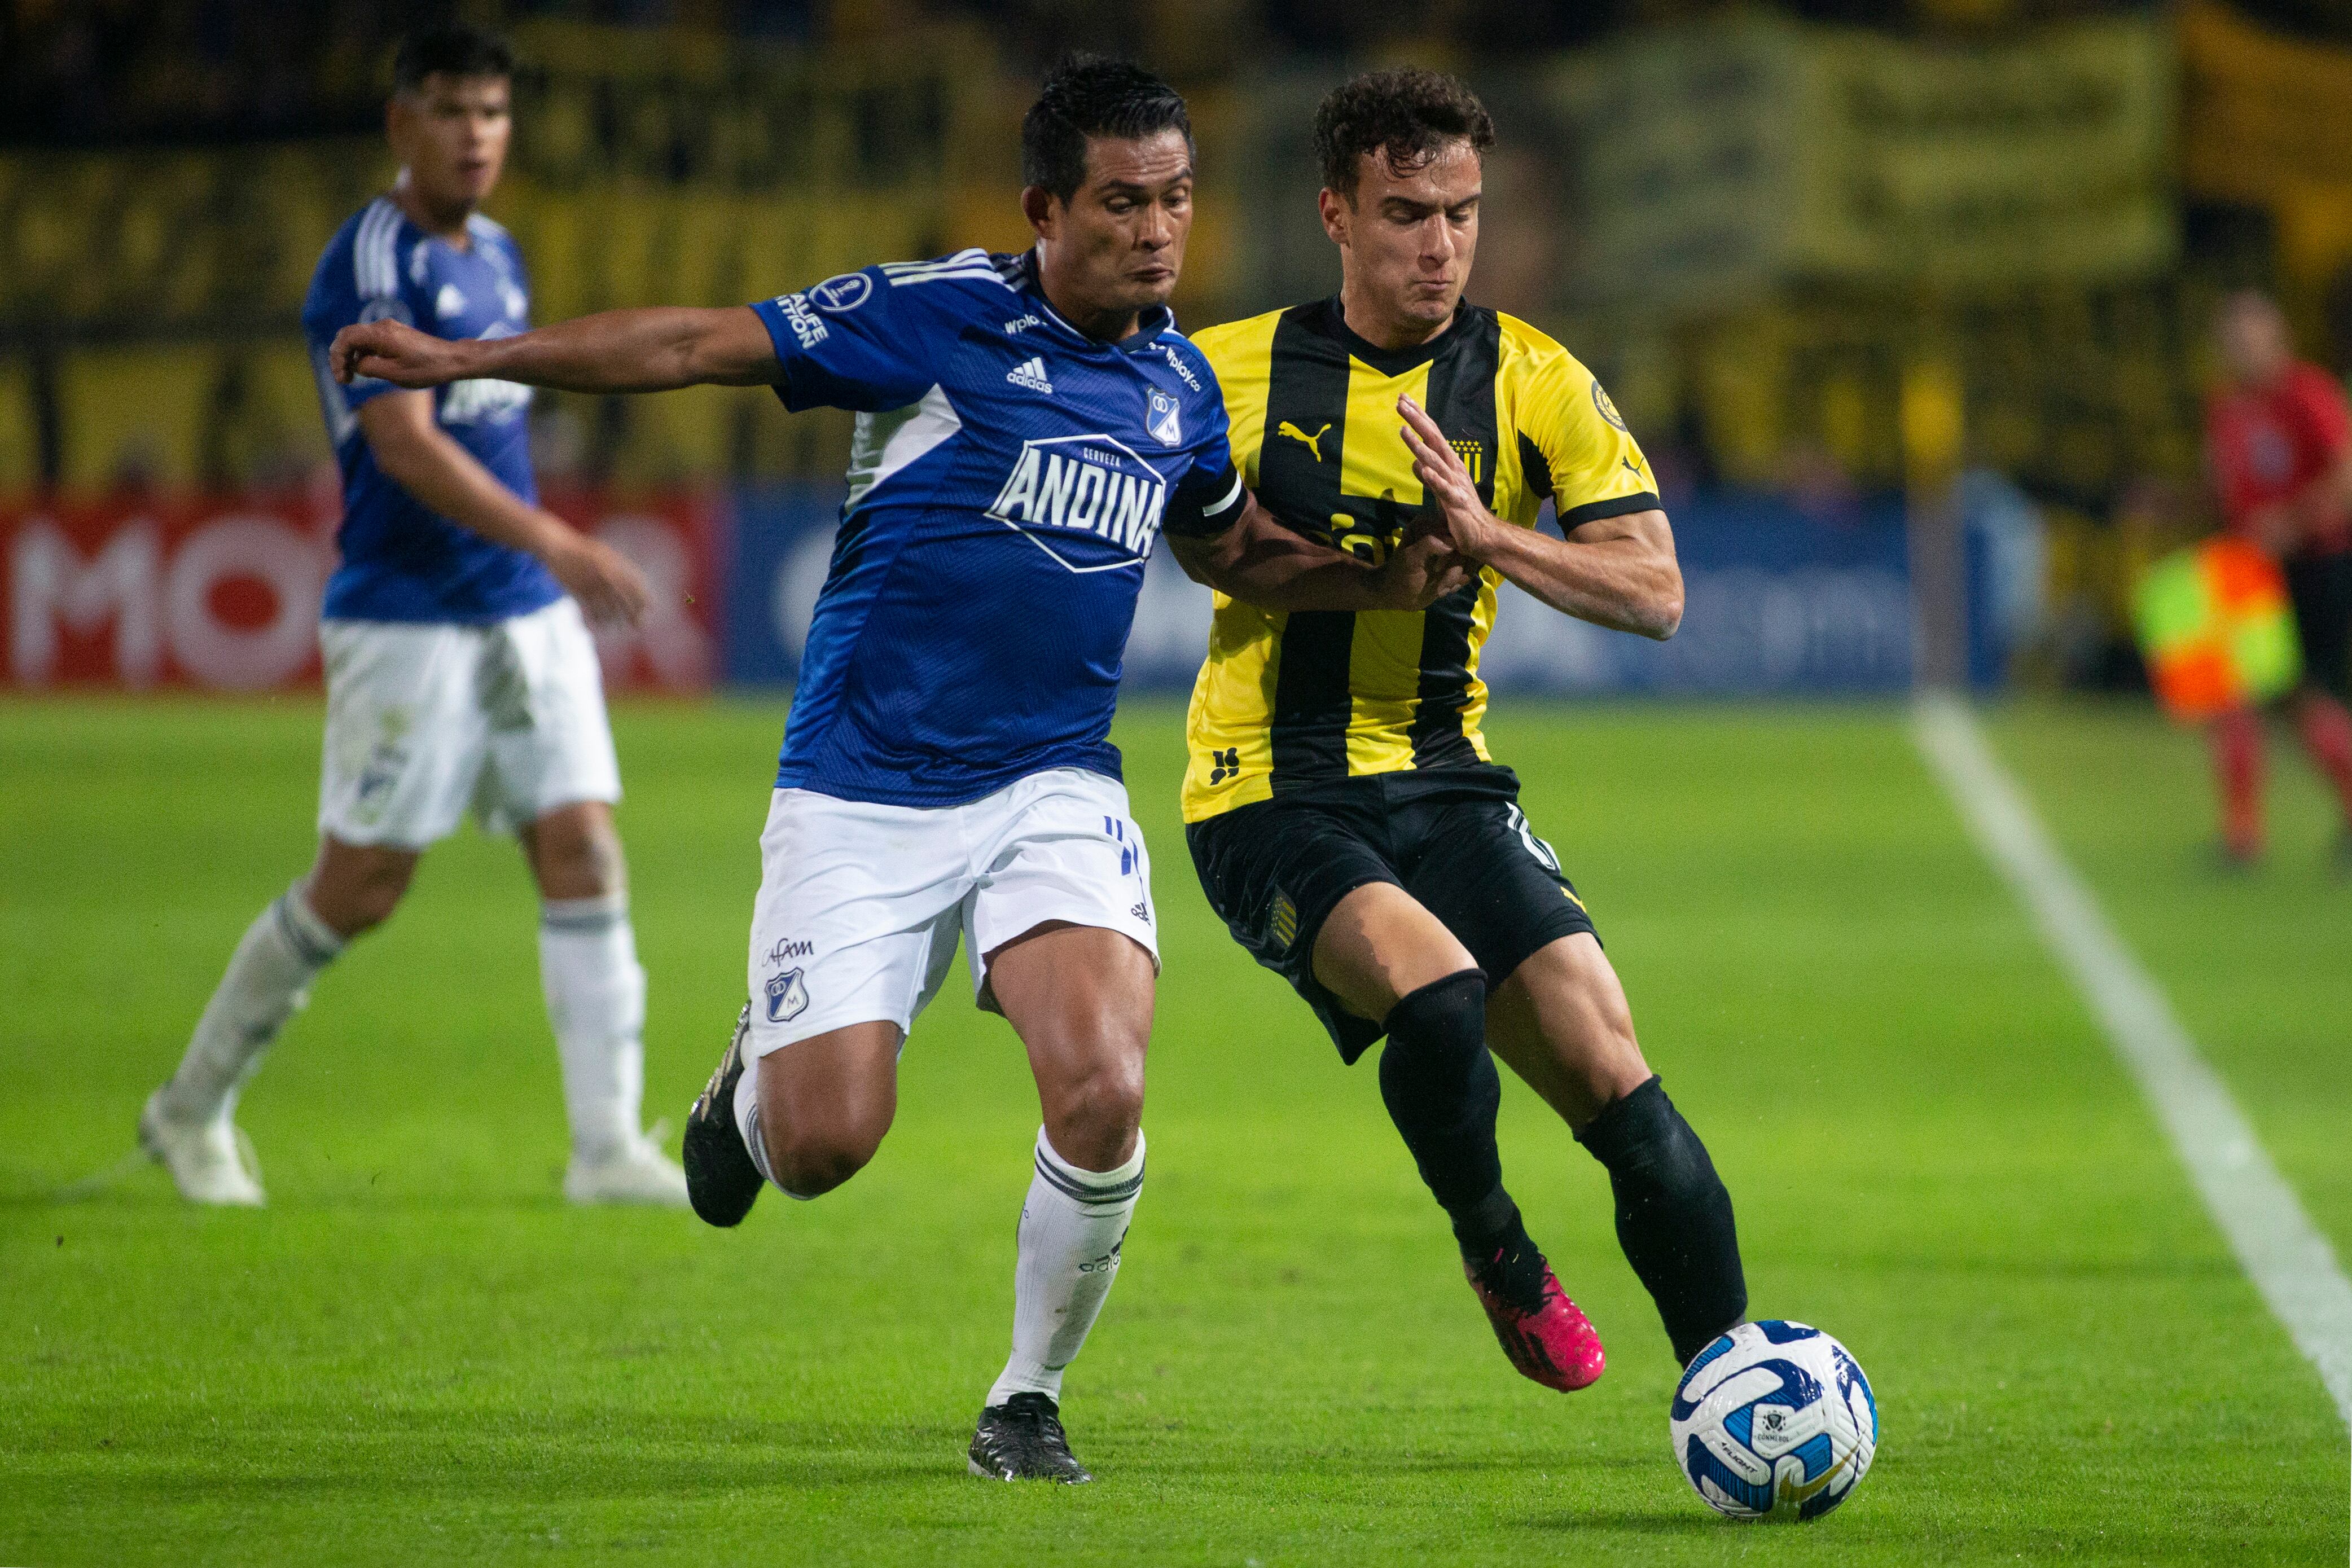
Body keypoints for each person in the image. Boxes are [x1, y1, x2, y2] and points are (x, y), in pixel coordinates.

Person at [329, 55, 1468, 1481]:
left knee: (1104, 1088)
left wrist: (1383, 581)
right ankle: (750, 1087)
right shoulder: (934, 318)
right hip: (861, 789)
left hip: (1052, 781)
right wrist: (465, 362)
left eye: (1175, 198)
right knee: (821, 1147)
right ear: (1043, 208)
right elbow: (695, 346)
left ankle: (1025, 1398)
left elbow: (1229, 546)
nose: (1157, 230)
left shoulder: (1176, 381)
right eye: (1122, 202)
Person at [1166, 68, 1748, 1388]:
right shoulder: (1226, 372)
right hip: (1267, 795)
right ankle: (1495, 1247)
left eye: (1464, 214)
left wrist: (1496, 541)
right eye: (1407, 215)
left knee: (1618, 1080)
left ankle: (1734, 1397)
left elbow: (1655, 592)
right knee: (1434, 991)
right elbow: (1166, 530)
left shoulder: (1533, 379)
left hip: (1447, 785)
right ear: (1334, 213)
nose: (1441, 247)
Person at [139, 25, 687, 1210]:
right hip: (407, 615)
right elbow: (406, 448)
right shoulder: (370, 263)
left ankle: (604, 1150)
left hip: (521, 614)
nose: (476, 134)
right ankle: (188, 1112)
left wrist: (542, 564)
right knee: (364, 882)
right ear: (402, 125)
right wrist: (559, 538)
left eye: (492, 112)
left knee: (582, 845)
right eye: (450, 111)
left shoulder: (498, 255)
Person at [2202, 290, 2352, 866]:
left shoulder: (2306, 395)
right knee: (2231, 691)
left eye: (2251, 336)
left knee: (2303, 701)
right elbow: (2225, 492)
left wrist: (2289, 524)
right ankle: (2242, 834)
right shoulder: (2227, 408)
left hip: (2317, 563)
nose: (2241, 349)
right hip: (2255, 566)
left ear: (2278, 337)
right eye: (2231, 340)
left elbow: (2345, 481)